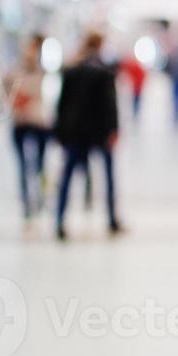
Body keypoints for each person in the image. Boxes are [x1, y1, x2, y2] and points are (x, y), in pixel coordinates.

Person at [53, 31, 123, 240]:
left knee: (67, 176)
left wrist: (60, 132)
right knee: (108, 175)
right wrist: (114, 129)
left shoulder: (72, 70)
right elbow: (111, 104)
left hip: (76, 132)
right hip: (100, 131)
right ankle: (111, 219)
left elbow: (62, 105)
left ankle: (59, 220)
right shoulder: (104, 72)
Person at [4, 33, 51, 221]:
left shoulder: (42, 71)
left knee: (40, 165)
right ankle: (26, 201)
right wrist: (14, 99)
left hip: (39, 122)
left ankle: (41, 197)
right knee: (23, 166)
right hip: (20, 123)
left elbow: (36, 93)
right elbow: (7, 88)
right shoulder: (14, 71)